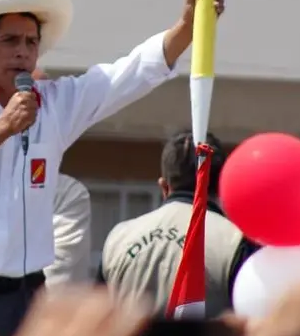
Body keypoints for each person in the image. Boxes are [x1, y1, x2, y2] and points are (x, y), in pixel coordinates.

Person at [0, 0, 225, 336]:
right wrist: (0, 129)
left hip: (22, 301)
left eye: (31, 42)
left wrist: (187, 26)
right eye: (9, 40)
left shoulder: (54, 103)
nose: (23, 52)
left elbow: (129, 74)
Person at [101, 131, 252, 315]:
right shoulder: (234, 241)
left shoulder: (119, 237)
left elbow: (97, 319)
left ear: (164, 187)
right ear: (221, 186)